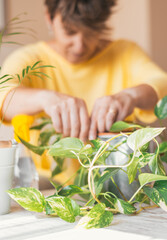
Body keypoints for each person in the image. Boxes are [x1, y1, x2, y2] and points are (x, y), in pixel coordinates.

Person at [1, 0, 167, 183]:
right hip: (47, 185)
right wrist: (44, 98)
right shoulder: (30, 59)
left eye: (91, 32)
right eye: (69, 31)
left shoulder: (125, 53)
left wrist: (130, 96)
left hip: (115, 183)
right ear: (49, 18)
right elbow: (4, 92)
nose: (79, 45)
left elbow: (161, 83)